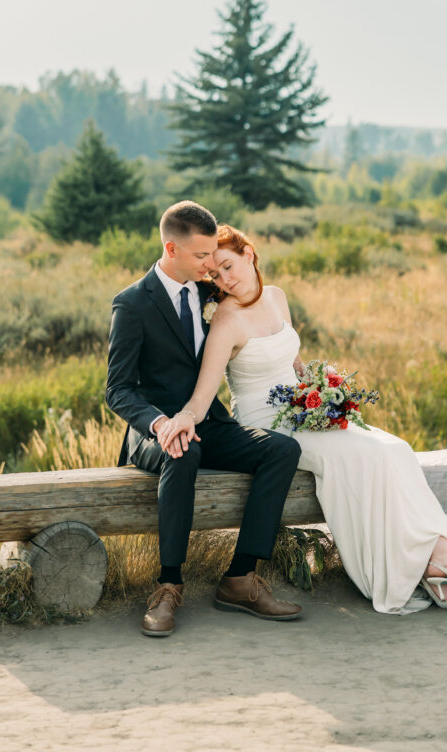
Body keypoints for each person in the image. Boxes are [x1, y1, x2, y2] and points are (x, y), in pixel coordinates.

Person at [164, 224, 447, 614]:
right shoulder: (225, 318)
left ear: (249, 254)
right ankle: (431, 563)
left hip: (302, 409)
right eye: (215, 275)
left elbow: (294, 362)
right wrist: (183, 418)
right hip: (269, 422)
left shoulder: (277, 296)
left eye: (228, 266)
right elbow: (205, 392)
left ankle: (435, 556)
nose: (224, 280)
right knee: (361, 457)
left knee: (395, 449)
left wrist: (323, 393)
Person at [105, 202, 303, 637]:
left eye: (213, 255)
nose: (210, 264)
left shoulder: (209, 292)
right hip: (154, 431)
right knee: (182, 448)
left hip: (210, 421)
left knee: (283, 449)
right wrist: (160, 424)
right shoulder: (133, 304)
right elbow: (117, 389)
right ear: (171, 249)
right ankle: (169, 584)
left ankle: (240, 578)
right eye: (201, 257)